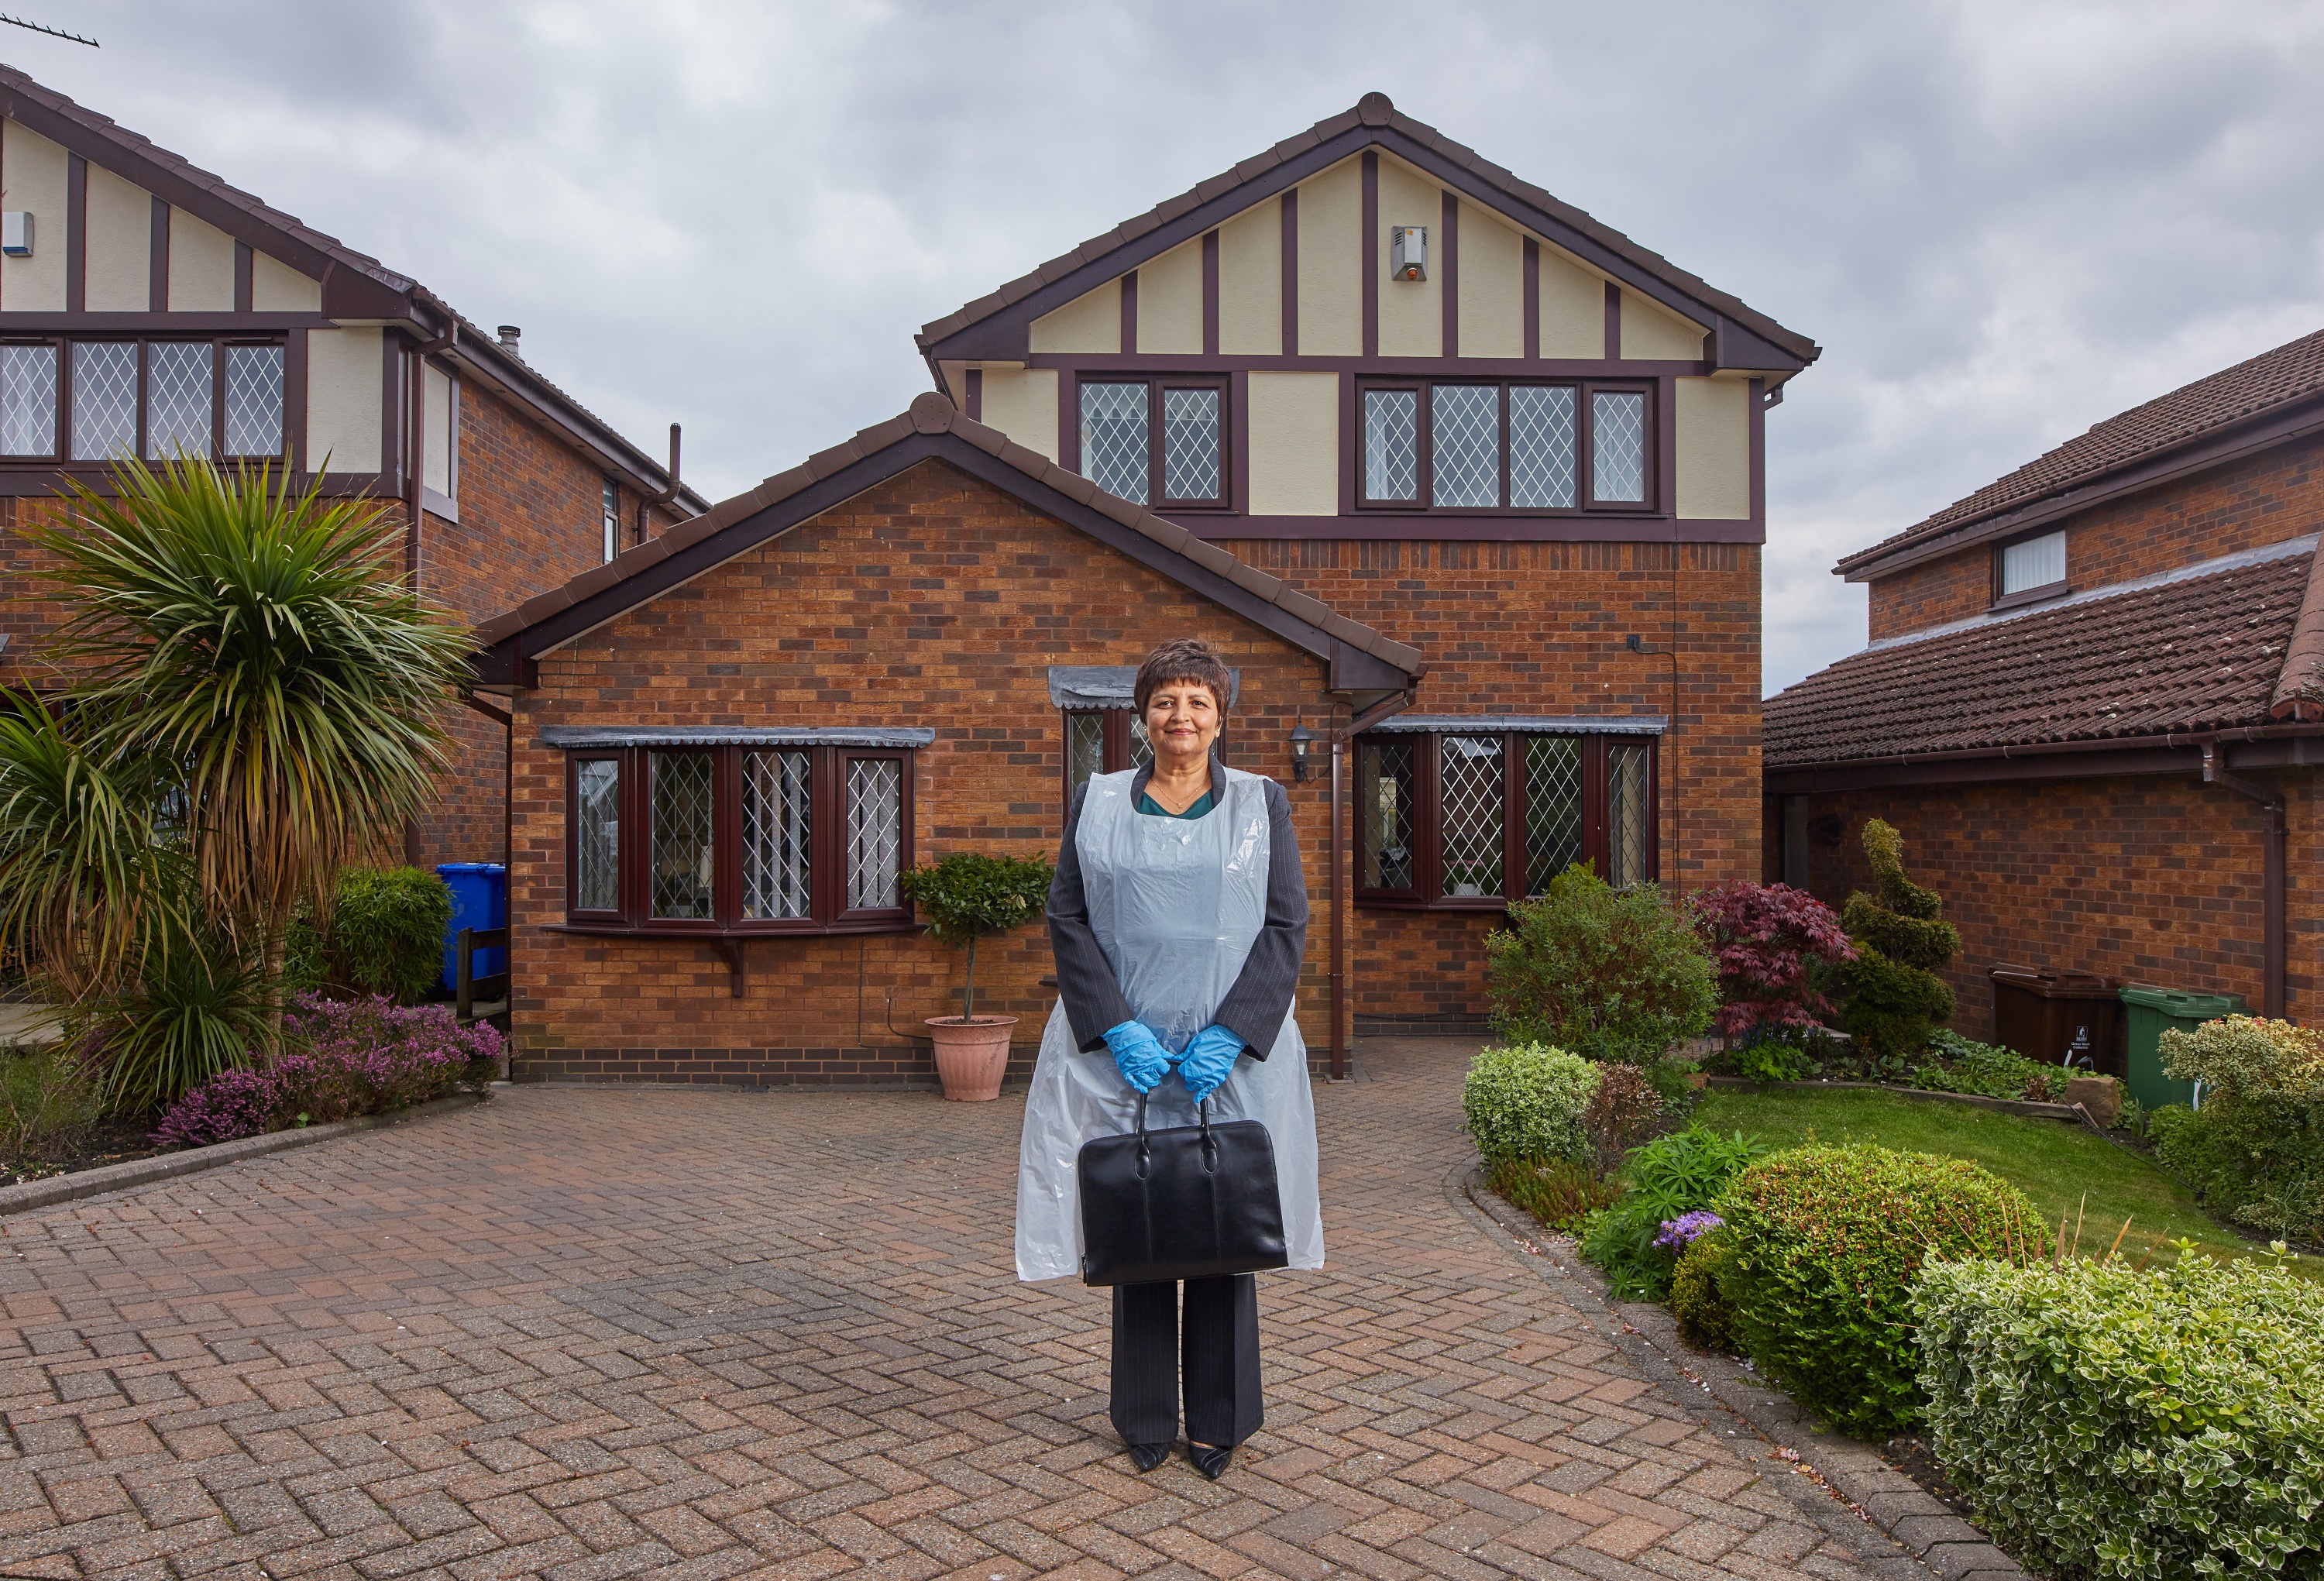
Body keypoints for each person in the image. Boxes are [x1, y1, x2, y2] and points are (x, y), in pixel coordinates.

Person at [1016, 637, 1322, 1482]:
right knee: (1142, 1221)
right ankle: (1145, 1417)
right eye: (1164, 700)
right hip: (1128, 1052)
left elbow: (1286, 924)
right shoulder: (1102, 799)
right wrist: (1117, 1027)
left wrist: (1232, 1031)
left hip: (1235, 1052)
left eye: (1196, 700)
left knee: (1223, 1220)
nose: (1179, 716)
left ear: (1220, 715)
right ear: (1141, 716)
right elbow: (1068, 918)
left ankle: (1221, 1421)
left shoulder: (1262, 803)